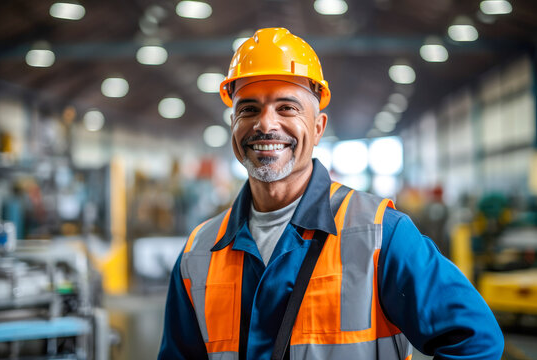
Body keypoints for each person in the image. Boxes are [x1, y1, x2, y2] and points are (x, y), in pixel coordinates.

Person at [158, 28, 504, 360]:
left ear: (319, 127)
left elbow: (474, 339)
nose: (265, 124)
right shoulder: (198, 252)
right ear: (233, 124)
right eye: (249, 109)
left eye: (286, 108)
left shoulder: (380, 234)